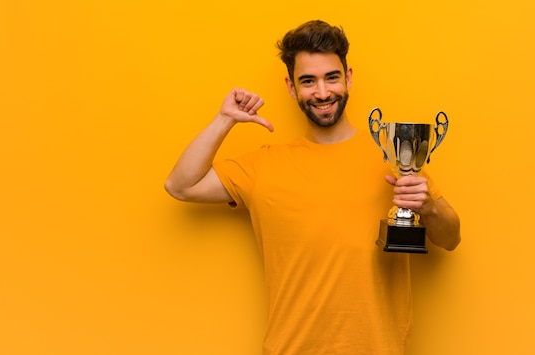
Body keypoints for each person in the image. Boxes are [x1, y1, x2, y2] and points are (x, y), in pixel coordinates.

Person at [165, 20, 461, 355]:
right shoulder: (264, 166)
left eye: (331, 77)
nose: (322, 92)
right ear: (291, 87)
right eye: (308, 81)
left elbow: (450, 239)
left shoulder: (393, 157)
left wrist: (429, 207)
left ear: (348, 78)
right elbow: (180, 185)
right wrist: (225, 119)